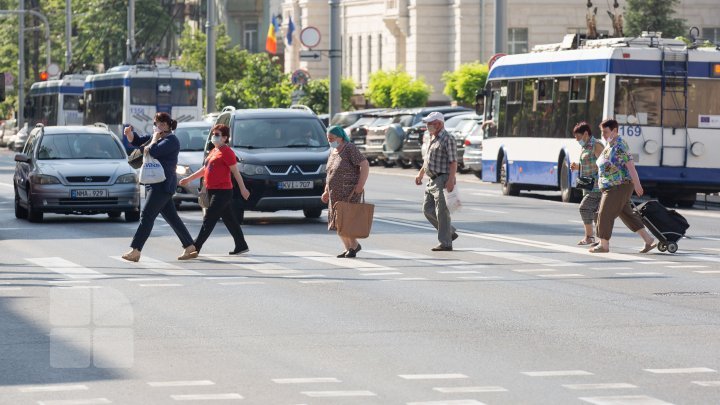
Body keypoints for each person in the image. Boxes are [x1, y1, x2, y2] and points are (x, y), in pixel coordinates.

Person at [121, 113, 198, 262]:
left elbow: (153, 151)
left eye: (163, 124)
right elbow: (138, 142)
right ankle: (190, 246)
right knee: (172, 218)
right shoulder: (155, 137)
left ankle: (135, 250)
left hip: (162, 185)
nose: (159, 127)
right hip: (154, 183)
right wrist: (130, 134)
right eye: (157, 124)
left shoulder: (171, 140)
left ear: (169, 125)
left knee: (146, 215)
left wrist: (154, 140)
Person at [178, 124, 251, 256]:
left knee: (209, 218)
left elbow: (235, 172)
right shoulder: (214, 151)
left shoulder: (227, 152)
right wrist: (189, 179)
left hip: (223, 191)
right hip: (212, 190)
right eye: (213, 134)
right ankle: (241, 245)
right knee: (229, 219)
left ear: (225, 138)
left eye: (217, 135)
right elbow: (205, 170)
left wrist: (243, 189)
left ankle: (196, 246)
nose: (213, 137)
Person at [590, 118, 656, 254]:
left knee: (604, 213)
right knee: (627, 214)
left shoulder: (620, 145)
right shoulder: (609, 145)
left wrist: (637, 185)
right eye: (602, 132)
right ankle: (648, 240)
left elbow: (631, 166)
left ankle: (604, 244)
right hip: (612, 185)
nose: (603, 135)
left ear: (615, 130)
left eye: (606, 132)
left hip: (619, 185)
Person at [321, 125, 370, 258]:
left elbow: (364, 164)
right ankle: (348, 247)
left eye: (332, 138)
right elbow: (329, 172)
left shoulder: (349, 148)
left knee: (345, 221)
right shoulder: (333, 151)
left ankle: (353, 246)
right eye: (328, 139)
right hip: (334, 193)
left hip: (348, 191)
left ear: (340, 137)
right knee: (337, 222)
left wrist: (360, 184)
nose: (330, 141)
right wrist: (326, 190)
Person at [414, 112, 459, 251]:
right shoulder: (430, 138)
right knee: (427, 210)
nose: (428, 126)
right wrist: (420, 174)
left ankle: (445, 243)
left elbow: (453, 162)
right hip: (431, 179)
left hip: (442, 179)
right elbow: (427, 160)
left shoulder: (448, 139)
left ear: (439, 123)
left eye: (430, 123)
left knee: (442, 212)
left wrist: (451, 180)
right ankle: (449, 231)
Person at [569, 122, 604, 245]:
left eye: (578, 137)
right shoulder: (586, 146)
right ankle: (599, 240)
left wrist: (599, 181)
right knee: (595, 212)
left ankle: (590, 237)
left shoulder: (596, 145)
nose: (577, 140)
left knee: (584, 208)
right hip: (588, 186)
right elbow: (590, 165)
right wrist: (577, 167)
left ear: (585, 134)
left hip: (596, 186)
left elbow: (603, 166)